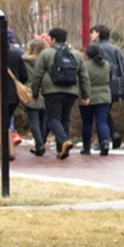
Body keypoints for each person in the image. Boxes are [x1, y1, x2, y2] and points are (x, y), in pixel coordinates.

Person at [30, 27, 90, 160]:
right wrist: (85, 95)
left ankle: (63, 141)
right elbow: (84, 76)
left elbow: (37, 75)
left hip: (52, 91)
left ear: (53, 39)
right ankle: (61, 150)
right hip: (71, 92)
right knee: (65, 118)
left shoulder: (46, 53)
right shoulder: (76, 54)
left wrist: (35, 93)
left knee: (52, 118)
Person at [90, 24, 124, 149]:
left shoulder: (94, 49)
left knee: (100, 114)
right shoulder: (115, 48)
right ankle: (113, 134)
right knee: (105, 112)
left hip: (100, 85)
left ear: (98, 33)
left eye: (93, 32)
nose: (91, 35)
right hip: (116, 85)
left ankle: (105, 140)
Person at [79, 44, 113, 156]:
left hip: (86, 97)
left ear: (87, 54)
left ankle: (86, 147)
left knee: (87, 123)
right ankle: (105, 142)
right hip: (104, 97)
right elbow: (110, 78)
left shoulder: (84, 65)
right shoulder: (106, 65)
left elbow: (80, 80)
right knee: (102, 121)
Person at [22, 38, 48, 155]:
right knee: (42, 120)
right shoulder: (46, 61)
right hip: (45, 91)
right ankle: (40, 143)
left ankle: (39, 144)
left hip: (29, 91)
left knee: (33, 121)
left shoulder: (24, 61)